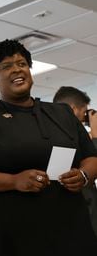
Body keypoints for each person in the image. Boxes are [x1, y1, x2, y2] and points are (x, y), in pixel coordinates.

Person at [0, 39, 97, 256]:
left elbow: (91, 156)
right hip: (7, 232)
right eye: (6, 66)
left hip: (67, 228)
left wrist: (83, 175)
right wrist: (14, 181)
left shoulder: (62, 113)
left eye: (22, 63)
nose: (17, 69)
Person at [53, 86, 97, 236]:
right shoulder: (61, 137)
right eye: (84, 112)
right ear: (71, 109)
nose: (84, 118)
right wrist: (96, 136)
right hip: (82, 214)